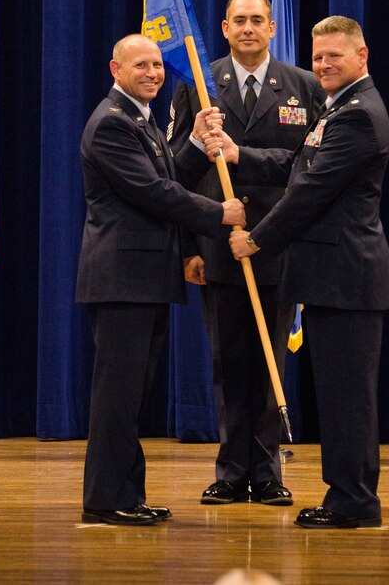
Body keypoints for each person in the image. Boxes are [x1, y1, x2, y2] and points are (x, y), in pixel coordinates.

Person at [206, 15, 389, 528]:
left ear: (362, 55)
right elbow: (298, 164)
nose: (323, 64)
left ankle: (353, 503)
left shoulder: (358, 115)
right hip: (334, 280)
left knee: (348, 400)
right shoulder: (339, 108)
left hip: (348, 279)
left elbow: (309, 193)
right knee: (339, 397)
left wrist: (257, 239)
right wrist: (238, 153)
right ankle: (346, 496)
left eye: (335, 55)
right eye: (317, 57)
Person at [76, 34, 245, 526]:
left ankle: (127, 493)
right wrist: (221, 213)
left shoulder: (139, 119)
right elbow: (153, 193)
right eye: (141, 65)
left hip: (144, 279)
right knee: (117, 397)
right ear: (115, 68)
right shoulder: (111, 124)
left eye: (157, 65)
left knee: (132, 396)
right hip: (121, 280)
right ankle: (106, 500)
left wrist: (194, 140)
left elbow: (171, 175)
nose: (153, 73)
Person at [169, 0, 324, 506]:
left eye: (258, 20)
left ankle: (268, 471)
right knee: (228, 360)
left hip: (277, 245)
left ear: (273, 27)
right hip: (218, 245)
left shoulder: (304, 87)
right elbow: (179, 172)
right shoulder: (198, 81)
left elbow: (311, 169)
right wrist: (192, 244)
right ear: (225, 27)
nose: (249, 29)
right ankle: (233, 469)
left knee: (271, 359)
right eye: (240, 21)